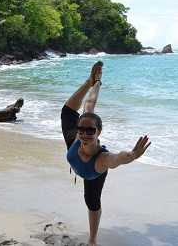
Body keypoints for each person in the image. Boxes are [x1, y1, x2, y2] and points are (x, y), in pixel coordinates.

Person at [61, 61, 151, 246]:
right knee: (70, 111)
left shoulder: (102, 159)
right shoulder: (78, 136)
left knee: (92, 202)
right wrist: (95, 83)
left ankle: (92, 240)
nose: (85, 134)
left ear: (98, 132)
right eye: (81, 129)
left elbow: (117, 158)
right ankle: (89, 80)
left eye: (90, 131)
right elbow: (90, 103)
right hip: (74, 147)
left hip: (91, 173)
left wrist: (132, 156)